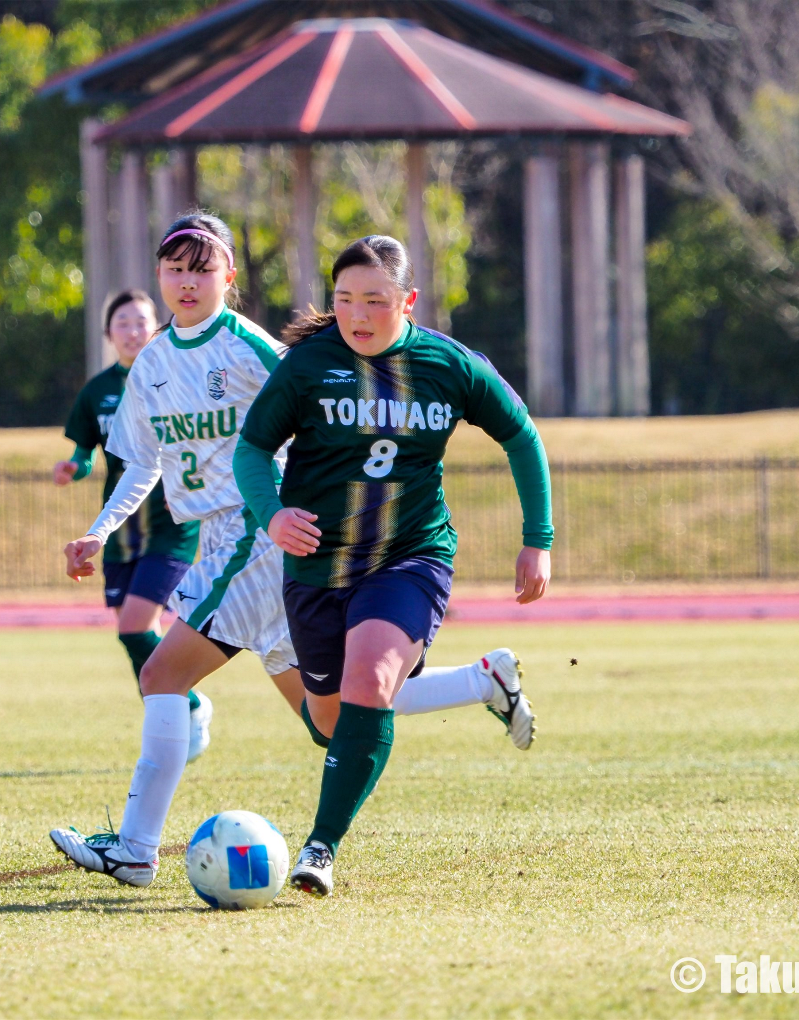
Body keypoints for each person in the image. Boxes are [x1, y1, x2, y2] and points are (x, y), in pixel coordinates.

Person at [50, 215, 536, 890]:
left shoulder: (254, 348)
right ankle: (482, 681)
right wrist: (100, 531)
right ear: (157, 273)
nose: (186, 282)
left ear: (229, 276)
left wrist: (302, 507)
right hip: (231, 540)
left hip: (260, 535)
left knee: (161, 675)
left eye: (201, 269)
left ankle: (136, 849)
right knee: (328, 721)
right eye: (174, 268)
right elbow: (142, 463)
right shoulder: (153, 363)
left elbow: (323, 410)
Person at [234, 235, 552, 896]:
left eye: (375, 300)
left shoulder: (449, 364)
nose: (358, 313)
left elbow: (521, 434)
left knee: (372, 678)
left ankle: (320, 848)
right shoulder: (306, 366)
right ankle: (482, 681)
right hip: (319, 570)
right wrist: (272, 514)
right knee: (331, 724)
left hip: (410, 557)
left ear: (408, 302)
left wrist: (537, 538)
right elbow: (253, 449)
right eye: (345, 299)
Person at [55, 289, 208, 760]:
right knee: (132, 632)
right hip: (121, 530)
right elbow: (84, 454)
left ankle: (189, 708)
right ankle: (174, 716)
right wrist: (73, 468)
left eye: (142, 321)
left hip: (172, 524)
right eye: (122, 322)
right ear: (108, 333)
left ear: (155, 328)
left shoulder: (176, 377)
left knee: (135, 627)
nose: (133, 330)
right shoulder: (97, 391)